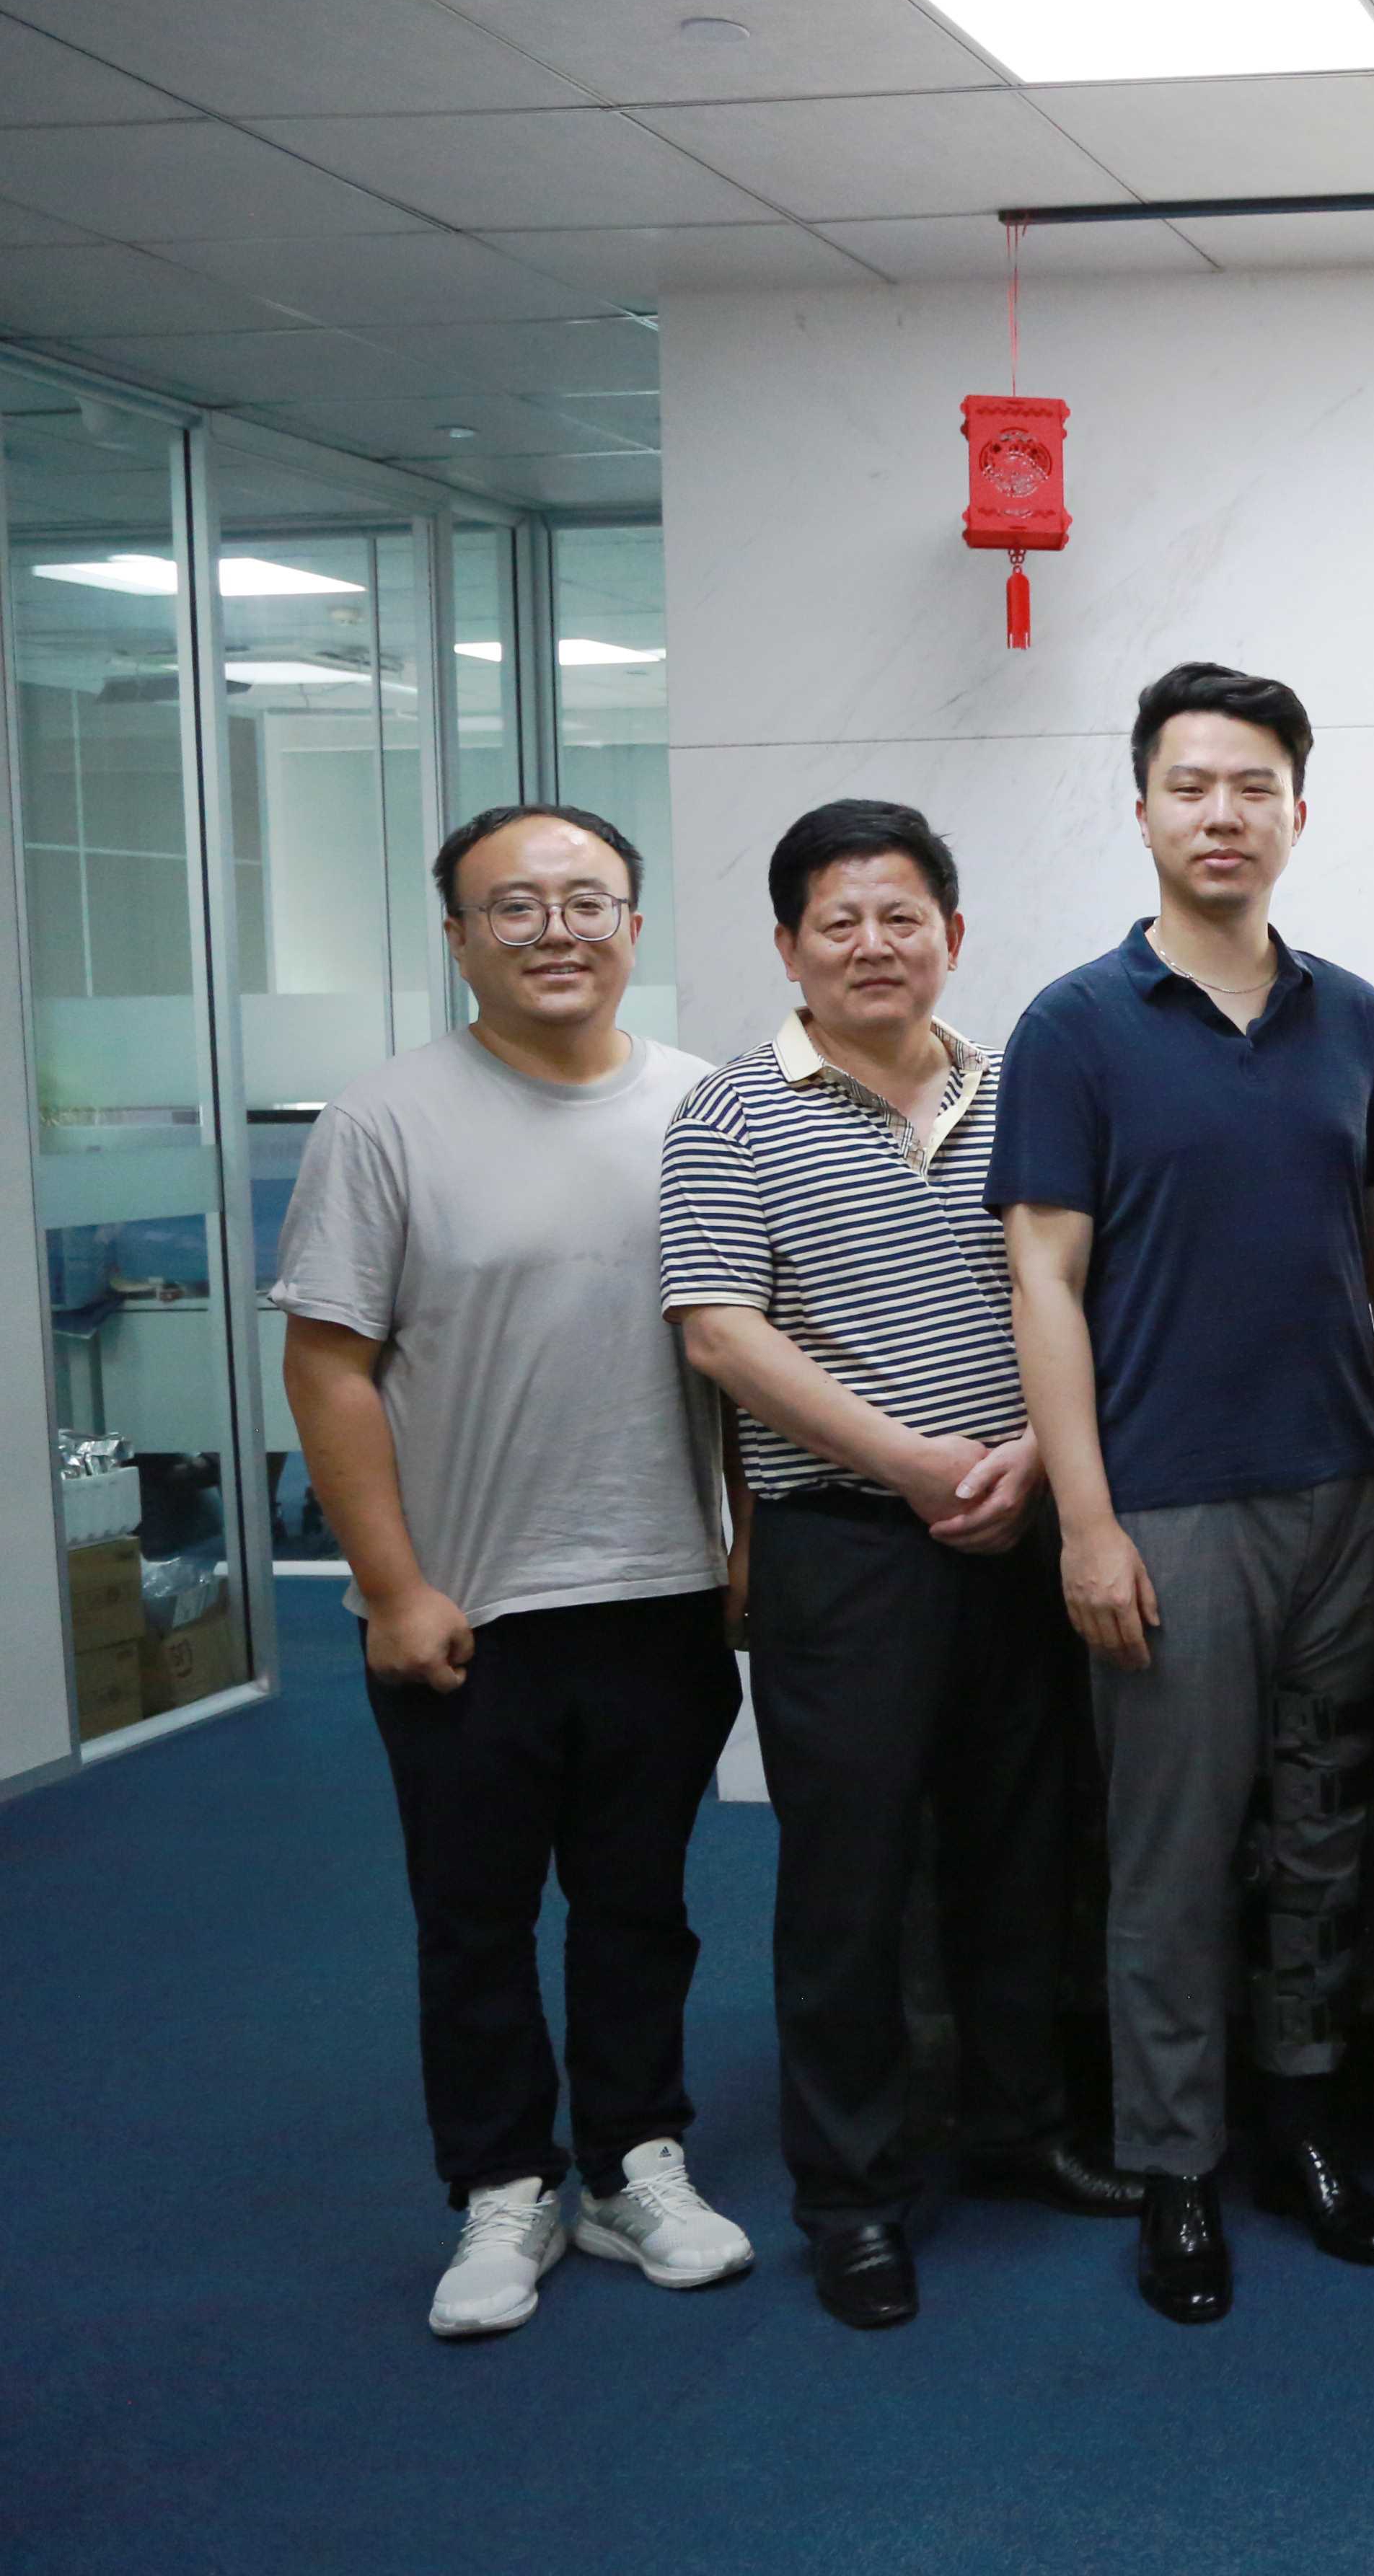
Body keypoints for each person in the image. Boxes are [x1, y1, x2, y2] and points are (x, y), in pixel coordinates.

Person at [274, 803, 753, 2341]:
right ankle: (502, 2185)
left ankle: (633, 2163)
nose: (556, 930)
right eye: (516, 906)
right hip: (465, 1607)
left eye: (587, 900)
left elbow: (746, 1348)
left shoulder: (705, 1108)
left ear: (634, 925)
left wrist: (743, 1542)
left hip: (660, 1590)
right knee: (474, 1921)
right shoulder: (385, 1120)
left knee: (639, 1908)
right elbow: (329, 1366)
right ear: (459, 936)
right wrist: (393, 1585)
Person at [660, 800, 1136, 2334]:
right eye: (840, 921)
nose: (874, 945)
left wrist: (1036, 1462)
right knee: (848, 1884)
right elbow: (722, 1333)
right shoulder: (731, 1114)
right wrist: (920, 1464)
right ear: (789, 945)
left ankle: (1018, 2129)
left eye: (903, 917)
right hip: (848, 1548)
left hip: (1024, 1534)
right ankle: (853, 2195)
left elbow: (1088, 1297)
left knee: (1023, 1853)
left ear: (953, 934)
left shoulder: (1022, 1091)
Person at [992, 663, 1374, 2326]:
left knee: (1321, 1838)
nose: (1222, 814)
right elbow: (1041, 1280)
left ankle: (1304, 2127)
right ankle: (1174, 2164)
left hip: (1345, 1493)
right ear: (1144, 807)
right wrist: (1085, 1521)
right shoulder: (1075, 1025)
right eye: (1192, 785)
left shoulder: (1356, 1020)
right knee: (1169, 1861)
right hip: (1165, 1507)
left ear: (1297, 812)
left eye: (1253, 787)